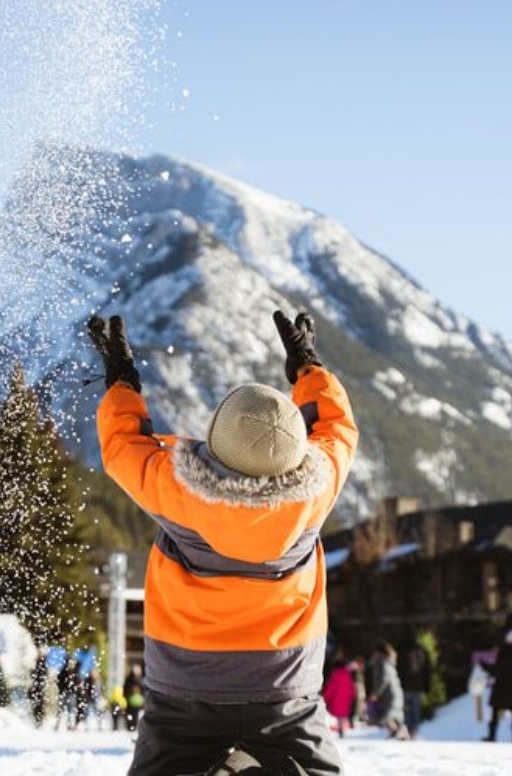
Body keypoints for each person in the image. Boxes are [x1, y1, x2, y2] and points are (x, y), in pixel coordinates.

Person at [88, 309, 358, 776]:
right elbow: (336, 429)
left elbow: (121, 445)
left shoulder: (176, 491)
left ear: (213, 441)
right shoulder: (318, 490)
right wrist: (309, 368)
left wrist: (122, 380)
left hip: (184, 687)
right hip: (286, 689)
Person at [484, 623, 512, 742]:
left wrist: (486, 668)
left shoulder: (502, 651)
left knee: (495, 712)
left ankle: (492, 736)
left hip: (501, 685)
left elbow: (496, 667)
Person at [367, 641, 409, 740]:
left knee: (386, 716)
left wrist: (375, 694)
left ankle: (398, 732)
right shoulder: (389, 662)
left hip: (389, 694)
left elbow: (383, 679)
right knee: (391, 716)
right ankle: (399, 733)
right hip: (394, 693)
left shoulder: (382, 663)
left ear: (379, 652)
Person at [399, 636, 431, 739]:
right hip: (418, 686)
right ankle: (414, 731)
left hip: (405, 686)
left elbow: (399, 669)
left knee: (406, 710)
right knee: (416, 710)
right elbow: (427, 671)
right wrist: (427, 686)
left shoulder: (404, 652)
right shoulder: (423, 652)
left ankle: (407, 730)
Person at [320, 649, 356, 738]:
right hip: (345, 703)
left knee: (334, 718)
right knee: (342, 717)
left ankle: (336, 730)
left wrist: (324, 698)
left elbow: (329, 690)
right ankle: (341, 730)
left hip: (335, 702)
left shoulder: (334, 677)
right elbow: (352, 692)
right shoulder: (349, 677)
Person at [121, 661, 145, 733]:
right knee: (129, 713)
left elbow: (143, 689)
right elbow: (125, 688)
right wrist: (126, 697)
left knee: (136, 715)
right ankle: (129, 727)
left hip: (138, 701)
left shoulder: (141, 679)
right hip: (130, 700)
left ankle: (134, 727)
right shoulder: (129, 679)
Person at [29, 648, 48, 728]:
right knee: (37, 704)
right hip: (38, 687)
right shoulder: (38, 663)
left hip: (39, 687)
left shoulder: (42, 663)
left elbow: (40, 675)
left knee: (38, 704)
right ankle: (38, 719)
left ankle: (39, 720)